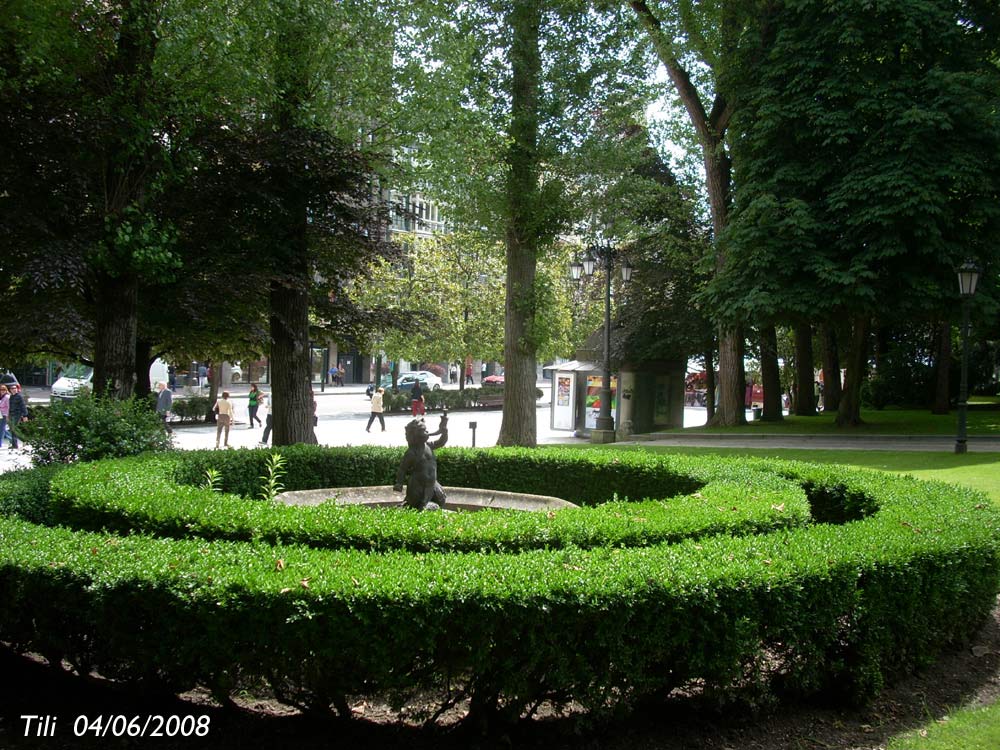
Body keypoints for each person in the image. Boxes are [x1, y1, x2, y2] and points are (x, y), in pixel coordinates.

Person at [8, 384, 28, 449]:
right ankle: (15, 445)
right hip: (11, 414)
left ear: (17, 389)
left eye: (15, 388)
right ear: (10, 390)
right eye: (12, 388)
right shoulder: (11, 397)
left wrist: (25, 415)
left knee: (14, 429)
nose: (14, 389)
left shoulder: (19, 397)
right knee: (12, 430)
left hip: (17, 414)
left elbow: (23, 406)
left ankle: (23, 440)